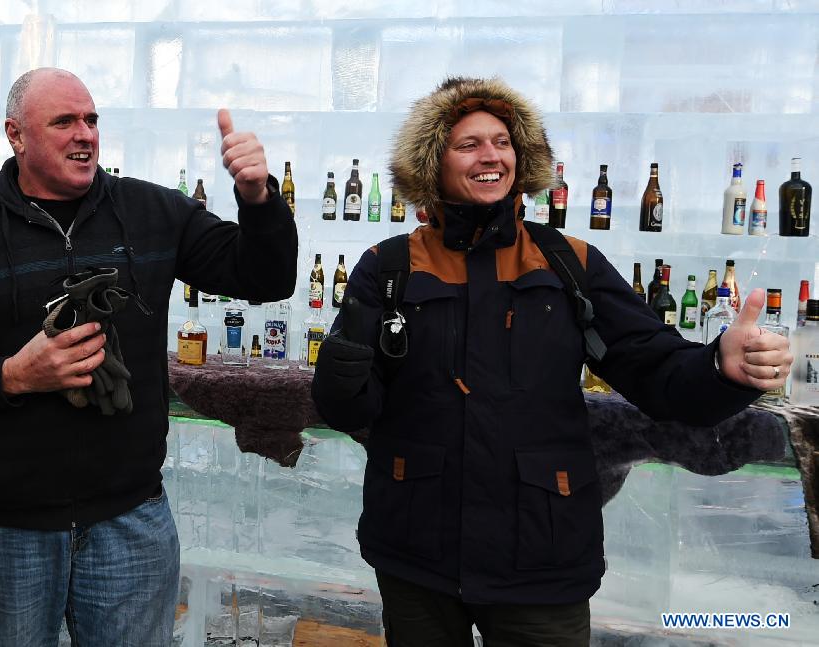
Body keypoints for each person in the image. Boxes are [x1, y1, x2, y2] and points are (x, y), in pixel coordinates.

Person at [311, 76, 792, 646]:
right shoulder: (387, 266)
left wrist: (721, 370)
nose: (491, 155)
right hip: (417, 551)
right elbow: (352, 406)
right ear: (431, 164)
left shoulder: (570, 264)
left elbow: (659, 374)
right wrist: (339, 374)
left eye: (502, 141)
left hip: (542, 555)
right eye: (468, 144)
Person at [0, 68, 297, 646]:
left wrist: (259, 199)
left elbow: (265, 276)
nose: (85, 134)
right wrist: (12, 377)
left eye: (92, 119)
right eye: (64, 121)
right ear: (16, 136)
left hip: (131, 519)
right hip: (8, 528)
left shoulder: (151, 213)